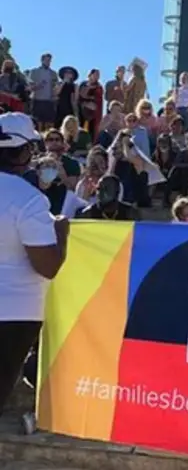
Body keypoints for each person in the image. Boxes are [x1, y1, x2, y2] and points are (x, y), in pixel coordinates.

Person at [0, 112, 69, 415]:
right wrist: (61, 234)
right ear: (25, 152)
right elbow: (48, 266)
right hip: (14, 315)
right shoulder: (29, 200)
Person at [36, 128, 81, 215]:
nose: (54, 142)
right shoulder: (38, 161)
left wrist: (60, 171)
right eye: (50, 139)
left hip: (63, 206)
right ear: (45, 143)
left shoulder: (72, 163)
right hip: (41, 206)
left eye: (57, 139)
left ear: (62, 142)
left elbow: (72, 188)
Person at [108, 130, 150, 207]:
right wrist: (115, 157)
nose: (115, 151)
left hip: (134, 198)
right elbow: (110, 173)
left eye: (118, 148)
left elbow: (128, 157)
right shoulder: (116, 161)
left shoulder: (137, 159)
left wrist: (125, 144)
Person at [28, 53, 58, 130]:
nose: (48, 62)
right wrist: (38, 86)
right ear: (42, 60)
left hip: (49, 101)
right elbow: (30, 87)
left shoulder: (53, 73)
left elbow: (55, 87)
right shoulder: (34, 72)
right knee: (38, 123)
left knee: (49, 123)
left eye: (50, 61)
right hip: (37, 100)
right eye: (46, 60)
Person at [77, 69, 104, 141]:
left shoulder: (99, 87)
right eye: (95, 74)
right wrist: (86, 103)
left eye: (98, 75)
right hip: (82, 112)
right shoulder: (83, 84)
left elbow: (98, 99)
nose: (97, 76)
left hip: (93, 114)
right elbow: (81, 95)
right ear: (90, 75)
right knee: (81, 129)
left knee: (92, 131)